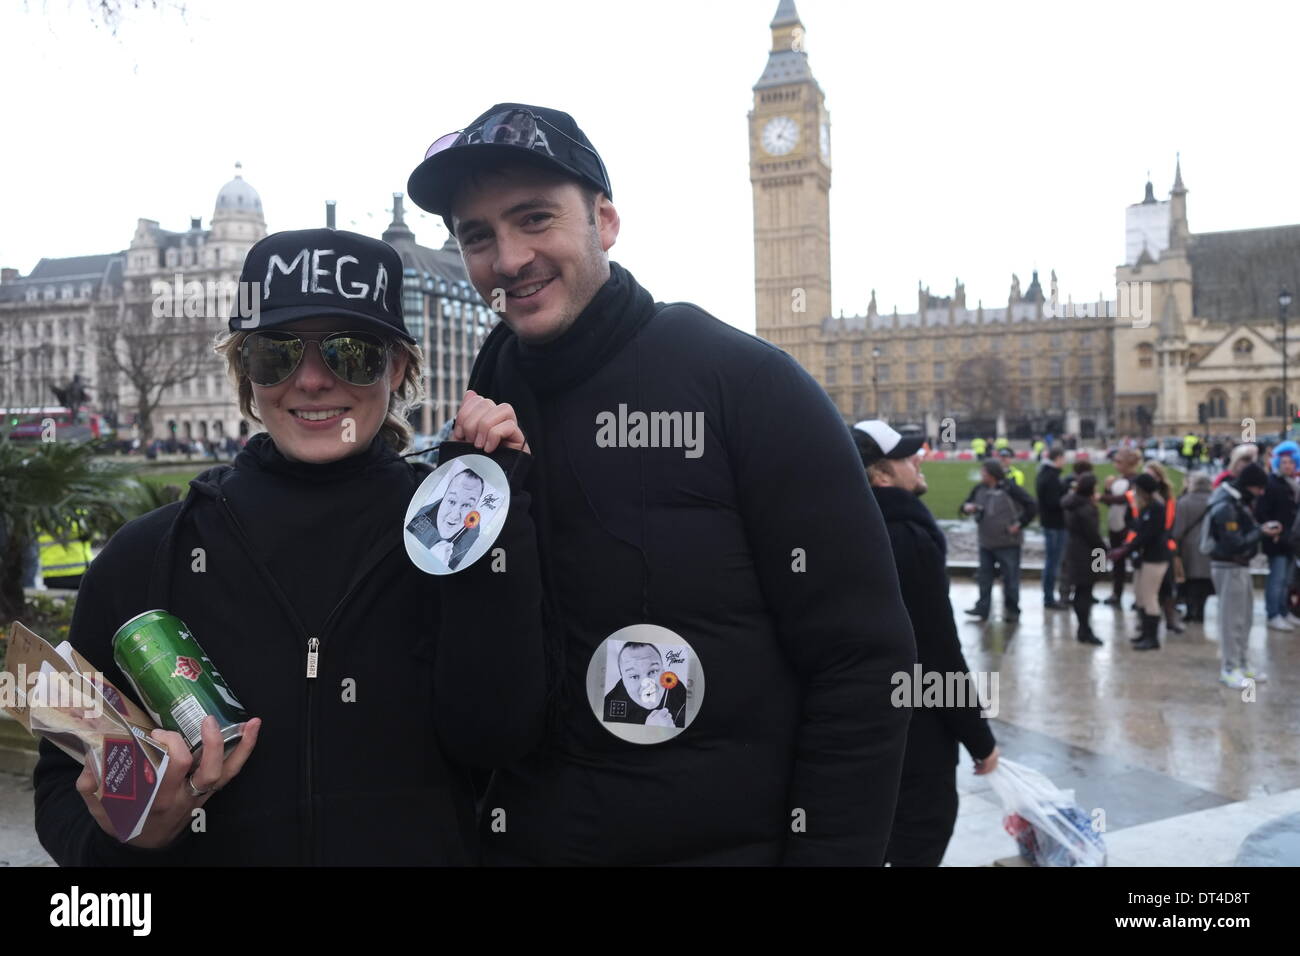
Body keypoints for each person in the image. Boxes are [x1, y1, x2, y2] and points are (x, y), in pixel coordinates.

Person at [406, 103, 916, 865]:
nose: (508, 259)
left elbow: (864, 663)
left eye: (534, 218)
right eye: (477, 235)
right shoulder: (483, 413)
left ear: (604, 221)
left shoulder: (746, 383)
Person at [33, 228, 546, 865]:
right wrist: (131, 836)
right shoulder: (147, 554)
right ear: (244, 371)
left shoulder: (452, 532)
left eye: (351, 353)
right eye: (275, 354)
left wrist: (495, 511)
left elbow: (499, 740)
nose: (309, 380)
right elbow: (61, 781)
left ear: (398, 367)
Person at [851, 421, 998, 866]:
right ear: (881, 474)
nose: (919, 458)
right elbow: (936, 651)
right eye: (906, 456)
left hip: (857, 717)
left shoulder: (844, 529)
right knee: (923, 829)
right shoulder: (907, 539)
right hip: (913, 724)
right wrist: (979, 737)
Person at [1203, 463, 1277, 688]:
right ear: (1249, 486)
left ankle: (1241, 664)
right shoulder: (1226, 505)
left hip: (1237, 567)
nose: (1261, 494)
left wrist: (1258, 530)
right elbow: (1234, 543)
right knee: (1232, 620)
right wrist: (1260, 532)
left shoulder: (1233, 501)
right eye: (1259, 488)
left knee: (1243, 619)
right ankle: (1230, 668)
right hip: (1229, 566)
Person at [960, 458, 1037, 622]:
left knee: (1010, 579)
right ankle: (982, 608)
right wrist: (967, 508)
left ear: (993, 474)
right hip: (986, 542)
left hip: (1008, 542)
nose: (981, 475)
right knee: (984, 577)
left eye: (984, 472)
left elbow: (1032, 505)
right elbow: (965, 505)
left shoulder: (1010, 488)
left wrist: (1019, 524)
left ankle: (1012, 610)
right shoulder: (979, 489)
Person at [1107, 473, 1170, 650]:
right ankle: (1145, 632)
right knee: (1141, 595)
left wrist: (1125, 549)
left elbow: (1147, 535)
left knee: (1149, 597)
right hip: (1145, 558)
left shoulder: (1156, 508)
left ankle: (1152, 638)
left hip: (1155, 558)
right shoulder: (1147, 507)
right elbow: (1139, 528)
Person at [405, 466, 484, 571]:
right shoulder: (417, 515)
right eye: (452, 501)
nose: (454, 515)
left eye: (466, 505)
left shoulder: (471, 549)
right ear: (444, 498)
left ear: (474, 508)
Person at [1256, 441, 1299, 631]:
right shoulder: (1272, 484)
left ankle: (1283, 610)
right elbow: (1262, 512)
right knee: (1277, 579)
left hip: (1290, 539)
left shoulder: (1291, 485)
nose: (1288, 466)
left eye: (1291, 463)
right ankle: (1273, 613)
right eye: (1284, 463)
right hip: (1277, 538)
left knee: (1285, 580)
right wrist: (1271, 531)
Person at [1060, 473, 1105, 644]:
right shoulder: (1086, 509)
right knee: (1085, 591)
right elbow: (1093, 536)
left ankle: (1083, 628)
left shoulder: (1073, 504)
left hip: (1077, 552)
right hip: (1090, 554)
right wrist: (1104, 550)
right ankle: (1084, 629)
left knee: (1082, 590)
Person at [602, 641, 687, 728]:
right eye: (634, 676)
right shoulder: (608, 709)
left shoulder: (680, 694)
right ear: (622, 680)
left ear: (663, 671)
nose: (647, 685)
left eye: (653, 671)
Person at [1099, 448, 1141, 606]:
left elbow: (1125, 499)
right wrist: (1107, 489)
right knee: (1117, 562)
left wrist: (1101, 495)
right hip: (1115, 524)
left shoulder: (1135, 481)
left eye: (1118, 461)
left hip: (1128, 527)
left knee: (1135, 561)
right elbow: (1111, 501)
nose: (1115, 464)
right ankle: (1116, 593)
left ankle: (1140, 596)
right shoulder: (1120, 479)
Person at [1172, 472, 1214, 623]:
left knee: (1190, 581)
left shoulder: (1184, 502)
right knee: (1204, 582)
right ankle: (1200, 612)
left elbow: (1178, 529)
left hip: (1188, 546)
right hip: (1208, 546)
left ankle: (1190, 611)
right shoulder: (1214, 501)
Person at [1036, 447, 1068, 610]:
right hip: (1055, 524)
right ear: (1058, 458)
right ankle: (1049, 597)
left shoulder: (1046, 473)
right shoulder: (1051, 476)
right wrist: (1068, 497)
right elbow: (1054, 502)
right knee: (1053, 562)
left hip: (1051, 522)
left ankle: (1050, 596)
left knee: (1053, 561)